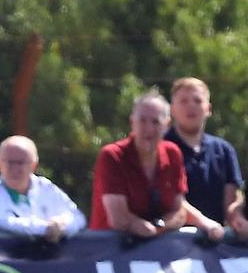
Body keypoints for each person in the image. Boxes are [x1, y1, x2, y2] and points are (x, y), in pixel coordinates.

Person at [90, 91, 224, 242]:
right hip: (108, 251)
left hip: (157, 252)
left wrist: (160, 227)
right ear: (132, 122)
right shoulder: (113, 155)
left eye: (155, 122)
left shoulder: (172, 153)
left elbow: (179, 209)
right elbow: (119, 219)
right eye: (142, 120)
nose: (149, 129)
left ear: (167, 125)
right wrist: (140, 227)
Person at [164, 77, 248, 237]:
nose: (191, 106)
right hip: (170, 242)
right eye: (183, 101)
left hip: (214, 243)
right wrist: (203, 222)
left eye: (197, 100)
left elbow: (231, 202)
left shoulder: (224, 150)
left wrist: (239, 219)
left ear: (208, 108)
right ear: (172, 109)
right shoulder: (160, 148)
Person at [0, 136, 85, 241]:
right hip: (3, 255)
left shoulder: (45, 186)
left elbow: (78, 217)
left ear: (34, 165)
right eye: (9, 162)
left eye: (20, 163)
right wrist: (45, 229)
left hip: (49, 256)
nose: (15, 168)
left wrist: (62, 225)